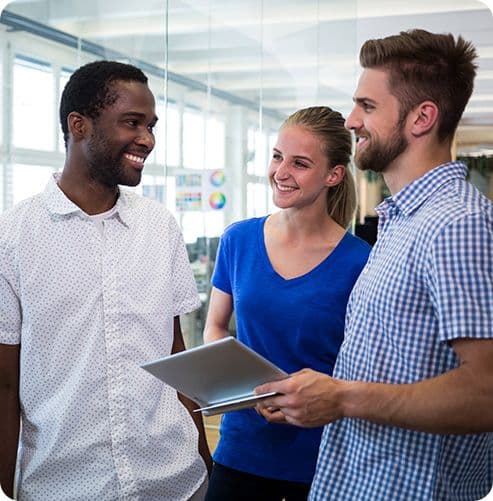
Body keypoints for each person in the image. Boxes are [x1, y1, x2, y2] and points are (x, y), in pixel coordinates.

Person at [256, 29, 493, 500]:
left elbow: (487, 391)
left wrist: (341, 397)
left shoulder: (457, 223)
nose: (351, 120)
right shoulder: (402, 220)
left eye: (367, 106)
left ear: (422, 117)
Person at [0, 60, 211, 500]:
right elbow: (4, 381)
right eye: (132, 123)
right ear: (79, 125)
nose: (147, 140)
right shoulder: (13, 237)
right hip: (61, 487)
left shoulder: (160, 227)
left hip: (176, 482)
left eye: (151, 126)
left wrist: (206, 461)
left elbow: (176, 355)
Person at [203, 106, 371, 501]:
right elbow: (215, 326)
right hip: (240, 449)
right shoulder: (238, 240)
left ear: (333, 175)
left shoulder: (361, 261)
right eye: (278, 156)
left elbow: (366, 364)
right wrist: (232, 383)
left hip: (321, 460)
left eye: (299, 163)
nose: (280, 172)